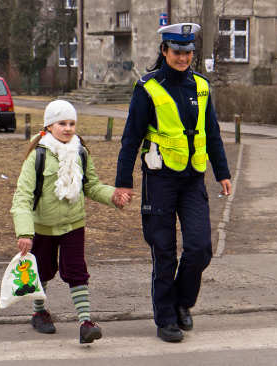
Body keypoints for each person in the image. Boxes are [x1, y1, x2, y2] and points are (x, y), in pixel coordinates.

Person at [112, 23, 232, 342]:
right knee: (164, 253)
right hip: (159, 181)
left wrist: (222, 173)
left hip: (193, 181)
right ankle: (165, 318)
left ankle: (182, 303)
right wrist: (123, 183)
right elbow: (130, 139)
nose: (183, 57)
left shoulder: (202, 87)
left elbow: (214, 135)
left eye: (188, 52)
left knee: (200, 248)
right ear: (164, 51)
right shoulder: (148, 87)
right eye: (178, 52)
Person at [10, 100, 129, 344]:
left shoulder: (80, 152)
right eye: (62, 123)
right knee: (41, 271)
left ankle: (86, 323)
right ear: (49, 126)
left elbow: (92, 186)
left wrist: (113, 195)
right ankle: (39, 312)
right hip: (42, 225)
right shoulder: (38, 155)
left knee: (76, 271)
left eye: (72, 123)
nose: (68, 128)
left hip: (74, 224)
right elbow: (21, 197)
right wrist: (25, 232)